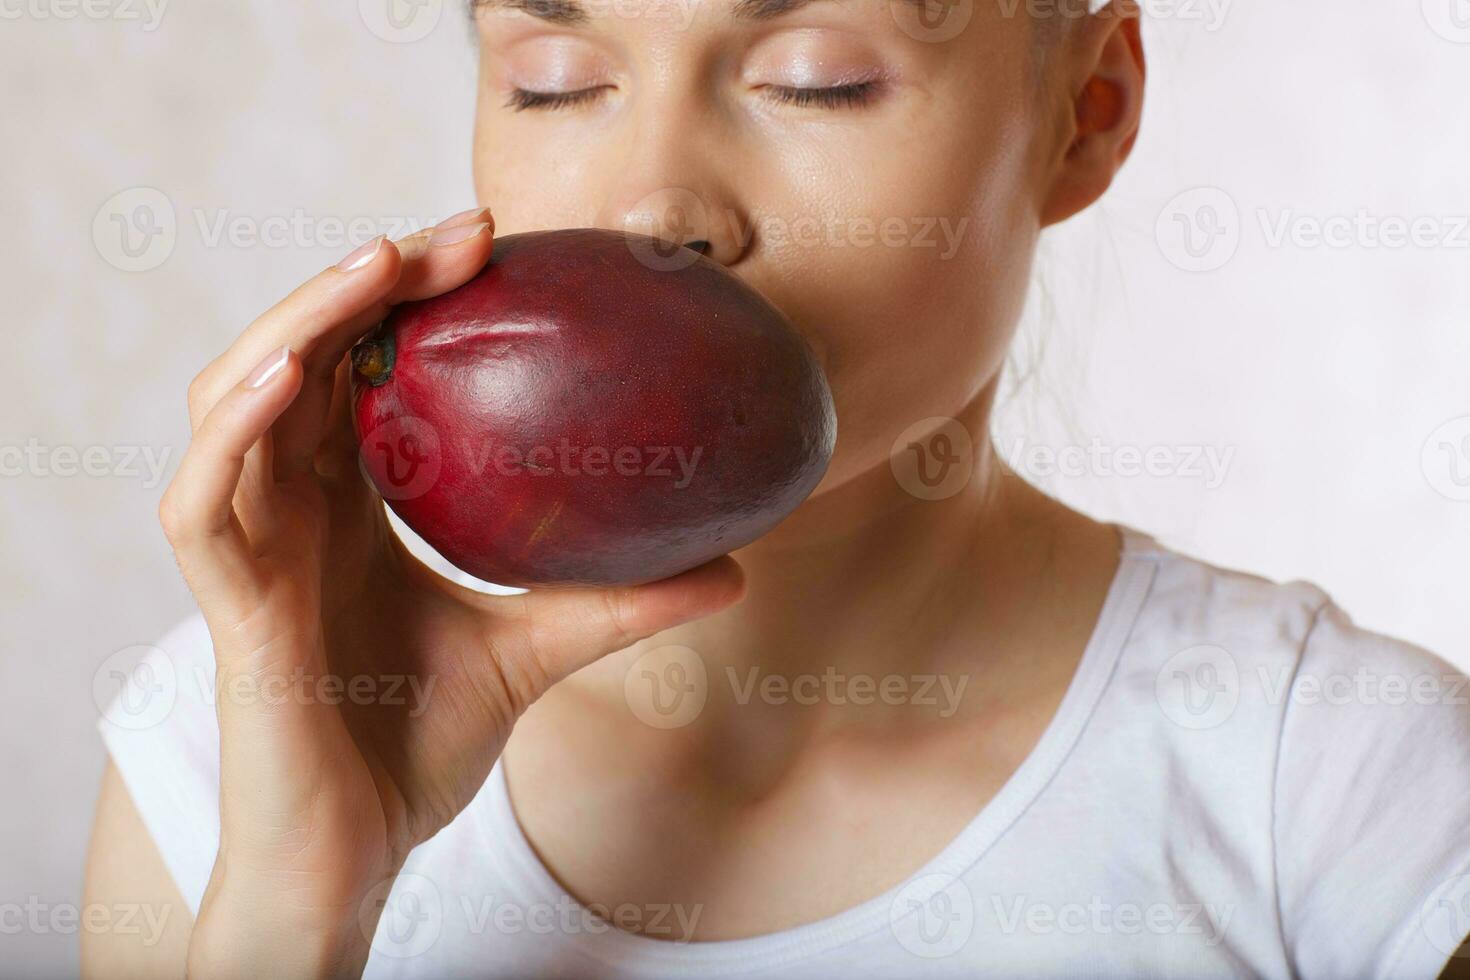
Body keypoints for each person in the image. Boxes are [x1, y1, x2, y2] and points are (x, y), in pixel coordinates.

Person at [81, 0, 1470, 975]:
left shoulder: (1341, 790)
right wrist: (296, 904)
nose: (656, 204)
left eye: (815, 76)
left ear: (1083, 117)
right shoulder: (230, 753)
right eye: (557, 75)